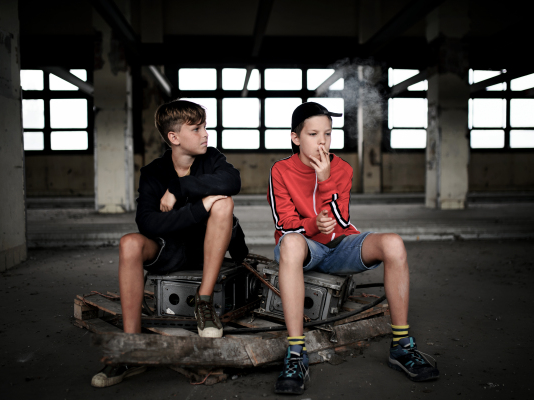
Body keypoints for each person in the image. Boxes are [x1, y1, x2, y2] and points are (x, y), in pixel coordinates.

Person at [268, 102, 439, 395]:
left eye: (328, 134)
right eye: (313, 134)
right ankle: (296, 353)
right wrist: (313, 225)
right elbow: (285, 224)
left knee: (393, 243)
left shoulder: (342, 169)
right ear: (296, 138)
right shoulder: (281, 170)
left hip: (341, 246)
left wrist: (324, 181)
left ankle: (401, 345)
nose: (322, 141)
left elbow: (343, 219)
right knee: (292, 244)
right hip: (304, 248)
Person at [91, 100, 248, 388]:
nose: (205, 134)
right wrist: (200, 207)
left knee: (225, 202)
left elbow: (232, 181)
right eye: (197, 128)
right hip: (169, 249)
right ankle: (131, 348)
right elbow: (148, 223)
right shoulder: (153, 172)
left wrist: (180, 189)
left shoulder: (211, 159)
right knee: (129, 243)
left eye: (204, 127)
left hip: (206, 250)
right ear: (174, 138)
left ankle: (204, 303)